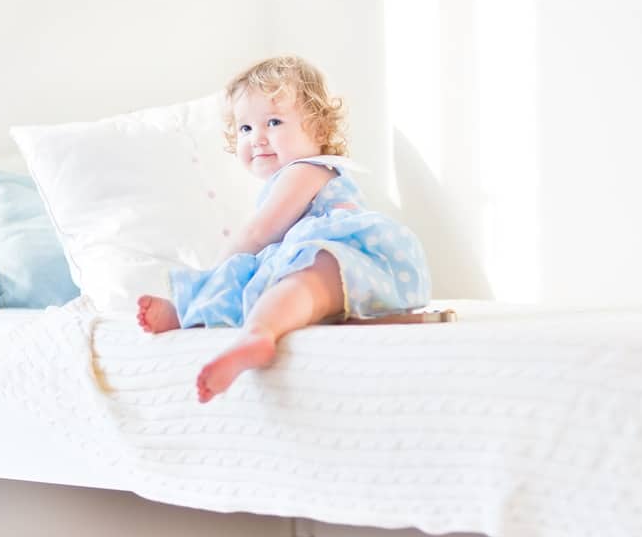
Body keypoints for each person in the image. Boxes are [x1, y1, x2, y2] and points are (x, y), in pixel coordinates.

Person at [136, 55, 431, 403]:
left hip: (349, 258)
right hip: (321, 265)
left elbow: (259, 233)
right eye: (245, 128)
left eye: (273, 122)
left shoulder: (305, 170)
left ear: (319, 130)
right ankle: (203, 317)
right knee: (269, 282)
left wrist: (215, 273)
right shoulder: (286, 181)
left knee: (304, 276)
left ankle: (249, 328)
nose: (257, 138)